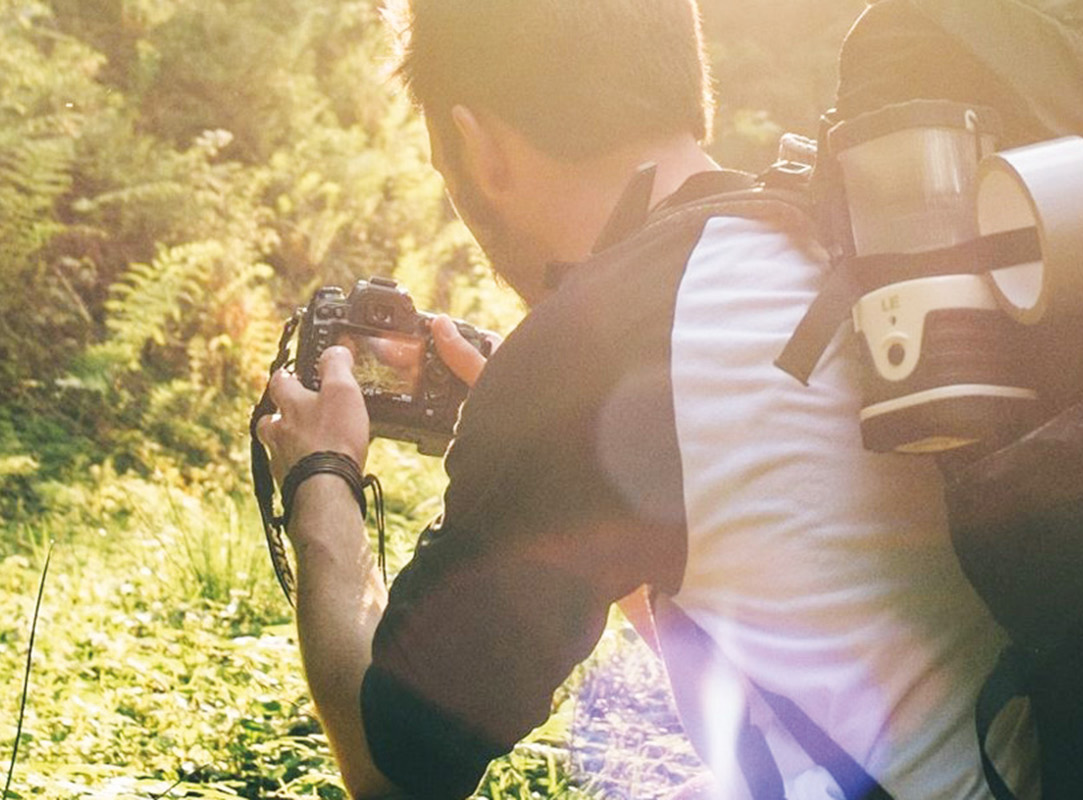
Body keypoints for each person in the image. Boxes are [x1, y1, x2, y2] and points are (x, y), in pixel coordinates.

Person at [250, 1, 1037, 798]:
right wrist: (579, 494)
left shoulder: (583, 355)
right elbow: (784, 644)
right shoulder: (828, 237)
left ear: (478, 148)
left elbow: (394, 775)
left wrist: (320, 473)